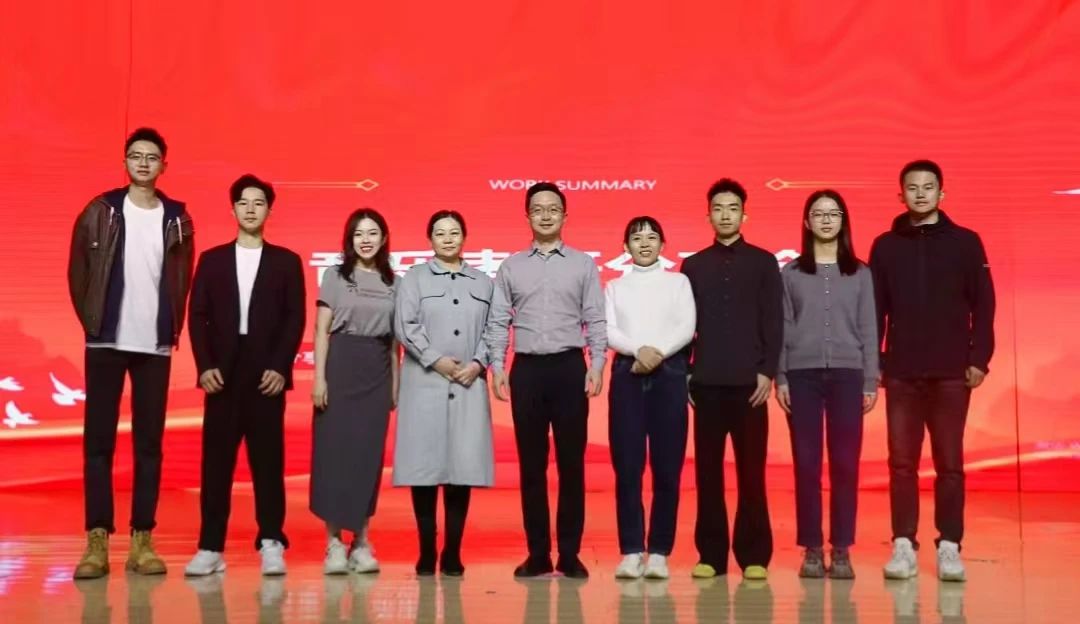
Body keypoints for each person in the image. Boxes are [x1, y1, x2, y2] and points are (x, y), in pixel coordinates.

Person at [67, 127, 195, 579]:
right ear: (124, 162)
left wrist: (171, 327)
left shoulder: (177, 218)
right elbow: (78, 270)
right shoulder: (100, 210)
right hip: (105, 341)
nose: (143, 163)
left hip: (154, 344)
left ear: (164, 165)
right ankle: (97, 540)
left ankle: (143, 539)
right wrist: (92, 321)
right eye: (136, 156)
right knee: (98, 443)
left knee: (149, 445)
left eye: (151, 157)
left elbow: (182, 277)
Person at [872, 160, 995, 582]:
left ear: (942, 193)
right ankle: (903, 544)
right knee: (901, 463)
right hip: (902, 372)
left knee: (950, 463)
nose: (920, 194)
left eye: (928, 187)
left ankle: (950, 546)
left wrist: (979, 359)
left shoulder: (966, 242)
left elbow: (984, 304)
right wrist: (877, 362)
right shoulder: (885, 246)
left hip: (951, 372)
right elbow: (876, 310)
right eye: (912, 187)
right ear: (900, 194)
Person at [183, 174, 306, 577]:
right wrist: (205, 366)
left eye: (259, 203)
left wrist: (280, 366)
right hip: (222, 374)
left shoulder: (286, 261)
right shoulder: (212, 259)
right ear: (233, 208)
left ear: (269, 210)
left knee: (268, 463)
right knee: (216, 465)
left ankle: (271, 540)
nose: (251, 209)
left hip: (266, 374)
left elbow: (294, 319)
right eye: (243, 202)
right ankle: (210, 546)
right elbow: (197, 316)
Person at [487, 182, 607, 579]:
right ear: (527, 216)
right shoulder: (511, 267)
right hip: (527, 371)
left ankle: (569, 554)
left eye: (553, 209)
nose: (545, 215)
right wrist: (498, 366)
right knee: (532, 467)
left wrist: (597, 363)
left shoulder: (583, 264)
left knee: (572, 466)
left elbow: (595, 317)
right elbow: (498, 321)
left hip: (570, 368)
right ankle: (537, 553)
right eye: (537, 209)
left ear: (564, 216)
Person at [681, 178, 782, 581]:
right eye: (718, 208)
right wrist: (687, 372)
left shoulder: (763, 262)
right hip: (706, 384)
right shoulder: (693, 266)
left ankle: (754, 555)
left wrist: (768, 371)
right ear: (708, 215)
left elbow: (773, 321)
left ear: (744, 214)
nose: (725, 215)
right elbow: (684, 325)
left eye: (732, 208)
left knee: (751, 474)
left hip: (749, 386)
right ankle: (711, 555)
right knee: (707, 474)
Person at [775, 190, 878, 579]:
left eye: (833, 214)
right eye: (818, 214)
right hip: (801, 375)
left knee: (846, 464)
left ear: (843, 221)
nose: (826, 220)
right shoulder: (791, 273)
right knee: (806, 463)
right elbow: (783, 326)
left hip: (849, 375)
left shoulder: (860, 273)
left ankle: (842, 547)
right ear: (807, 222)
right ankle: (812, 549)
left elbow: (869, 328)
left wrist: (870, 378)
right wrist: (781, 376)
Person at [393, 210, 495, 577]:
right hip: (425, 382)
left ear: (464, 237)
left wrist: (478, 363)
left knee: (460, 469)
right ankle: (426, 550)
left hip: (468, 381)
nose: (448, 238)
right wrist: (436, 360)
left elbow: (495, 328)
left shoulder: (484, 282)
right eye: (440, 233)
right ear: (430, 239)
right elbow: (405, 325)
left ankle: (452, 551)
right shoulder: (414, 279)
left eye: (454, 232)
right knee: (424, 469)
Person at [310, 208, 400, 575]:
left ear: (383, 238)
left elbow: (394, 342)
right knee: (334, 456)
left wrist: (395, 385)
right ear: (350, 239)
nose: (366, 239)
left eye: (373, 232)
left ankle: (361, 541)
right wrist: (319, 379)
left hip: (377, 371)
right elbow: (321, 330)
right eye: (359, 233)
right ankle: (333, 542)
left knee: (366, 458)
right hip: (340, 366)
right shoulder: (335, 276)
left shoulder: (396, 283)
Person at [605, 216, 696, 580]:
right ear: (625, 246)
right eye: (636, 237)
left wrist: (656, 354)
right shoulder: (614, 287)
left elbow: (686, 327)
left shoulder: (678, 282)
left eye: (652, 237)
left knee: (667, 467)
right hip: (627, 374)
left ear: (663, 244)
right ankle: (631, 550)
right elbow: (608, 329)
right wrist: (638, 350)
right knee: (627, 467)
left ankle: (659, 551)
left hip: (669, 373)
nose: (644, 243)